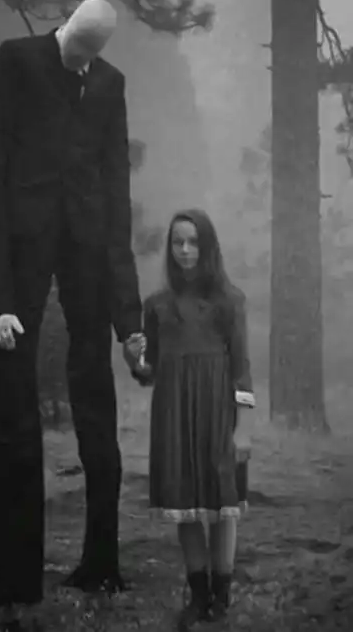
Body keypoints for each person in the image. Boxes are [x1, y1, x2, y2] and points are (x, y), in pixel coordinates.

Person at [0, 0, 146, 631]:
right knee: (14, 403)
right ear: (65, 26)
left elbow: (118, 197)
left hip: (89, 255)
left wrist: (130, 322)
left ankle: (101, 563)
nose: (79, 61)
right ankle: (17, 582)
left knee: (96, 396)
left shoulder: (109, 85)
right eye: (75, 47)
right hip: (22, 254)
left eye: (89, 54)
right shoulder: (17, 62)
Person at [133, 208, 255, 629]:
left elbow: (241, 368)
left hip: (219, 413)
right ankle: (198, 595)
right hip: (174, 414)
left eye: (193, 242)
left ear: (207, 247)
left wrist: (243, 428)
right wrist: (135, 360)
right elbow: (149, 372)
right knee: (185, 507)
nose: (185, 250)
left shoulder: (229, 301)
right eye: (177, 242)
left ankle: (221, 596)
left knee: (223, 506)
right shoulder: (157, 306)